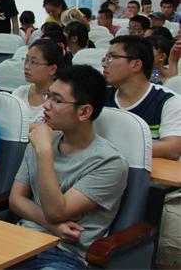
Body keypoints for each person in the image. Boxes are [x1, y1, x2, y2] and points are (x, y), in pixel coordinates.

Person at [9, 65, 128, 270]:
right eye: (48, 96)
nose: (46, 105)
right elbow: (16, 199)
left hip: (65, 254)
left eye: (57, 100)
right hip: (22, 239)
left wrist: (44, 152)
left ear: (84, 112)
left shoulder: (109, 163)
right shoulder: (43, 140)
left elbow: (57, 212)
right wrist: (53, 227)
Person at [103, 35, 181, 159]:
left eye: (113, 57)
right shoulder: (99, 97)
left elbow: (172, 148)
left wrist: (111, 149)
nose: (104, 64)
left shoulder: (169, 101)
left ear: (136, 65)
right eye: (106, 58)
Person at [12, 39, 63, 124]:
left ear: (52, 69)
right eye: (26, 60)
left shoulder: (60, 102)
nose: (27, 67)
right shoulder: (19, 93)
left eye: (34, 62)